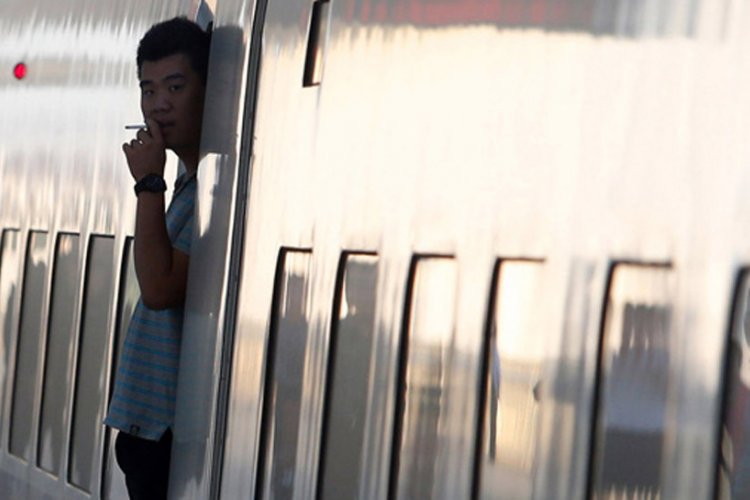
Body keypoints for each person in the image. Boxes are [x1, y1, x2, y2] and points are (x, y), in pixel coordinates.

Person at [103, 17, 210, 499]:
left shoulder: (209, 189)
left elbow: (160, 288)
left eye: (175, 86)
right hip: (150, 434)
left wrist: (148, 183)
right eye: (148, 89)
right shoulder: (189, 183)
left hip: (170, 439)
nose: (158, 104)